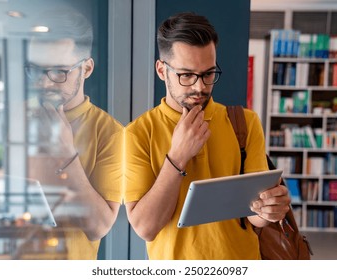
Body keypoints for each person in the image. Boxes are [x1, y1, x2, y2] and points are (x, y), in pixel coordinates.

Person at [124, 12, 291, 260]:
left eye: (208, 73)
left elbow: (254, 217)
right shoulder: (137, 134)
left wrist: (270, 210)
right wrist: (177, 157)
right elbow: (145, 228)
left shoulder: (245, 123)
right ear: (162, 70)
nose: (200, 86)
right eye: (186, 75)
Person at [24, 9, 123, 259]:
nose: (44, 83)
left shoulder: (111, 133)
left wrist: (66, 154)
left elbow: (99, 227)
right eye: (35, 70)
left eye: (59, 72)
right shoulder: (10, 117)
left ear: (86, 68)